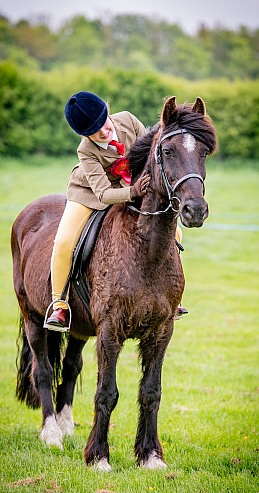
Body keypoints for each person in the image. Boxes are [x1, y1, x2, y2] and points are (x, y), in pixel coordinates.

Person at [46, 91, 187, 331]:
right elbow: (102, 194)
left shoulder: (129, 121)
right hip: (90, 193)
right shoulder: (86, 151)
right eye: (94, 131)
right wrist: (132, 192)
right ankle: (60, 303)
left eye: (104, 122)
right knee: (64, 242)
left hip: (135, 187)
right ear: (84, 135)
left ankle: (171, 296)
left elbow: (152, 155)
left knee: (176, 234)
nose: (103, 131)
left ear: (108, 112)